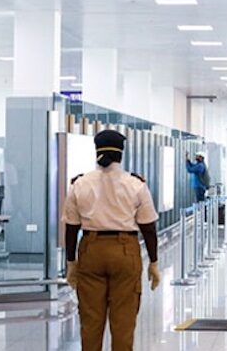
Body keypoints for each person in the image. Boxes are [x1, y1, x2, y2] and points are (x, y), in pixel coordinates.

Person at [62, 130, 161, 351]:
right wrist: (154, 262)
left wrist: (71, 263)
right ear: (121, 154)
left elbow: (71, 227)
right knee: (124, 321)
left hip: (90, 249)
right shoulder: (135, 184)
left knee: (90, 321)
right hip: (125, 251)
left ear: (96, 151)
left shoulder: (80, 183)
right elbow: (148, 227)